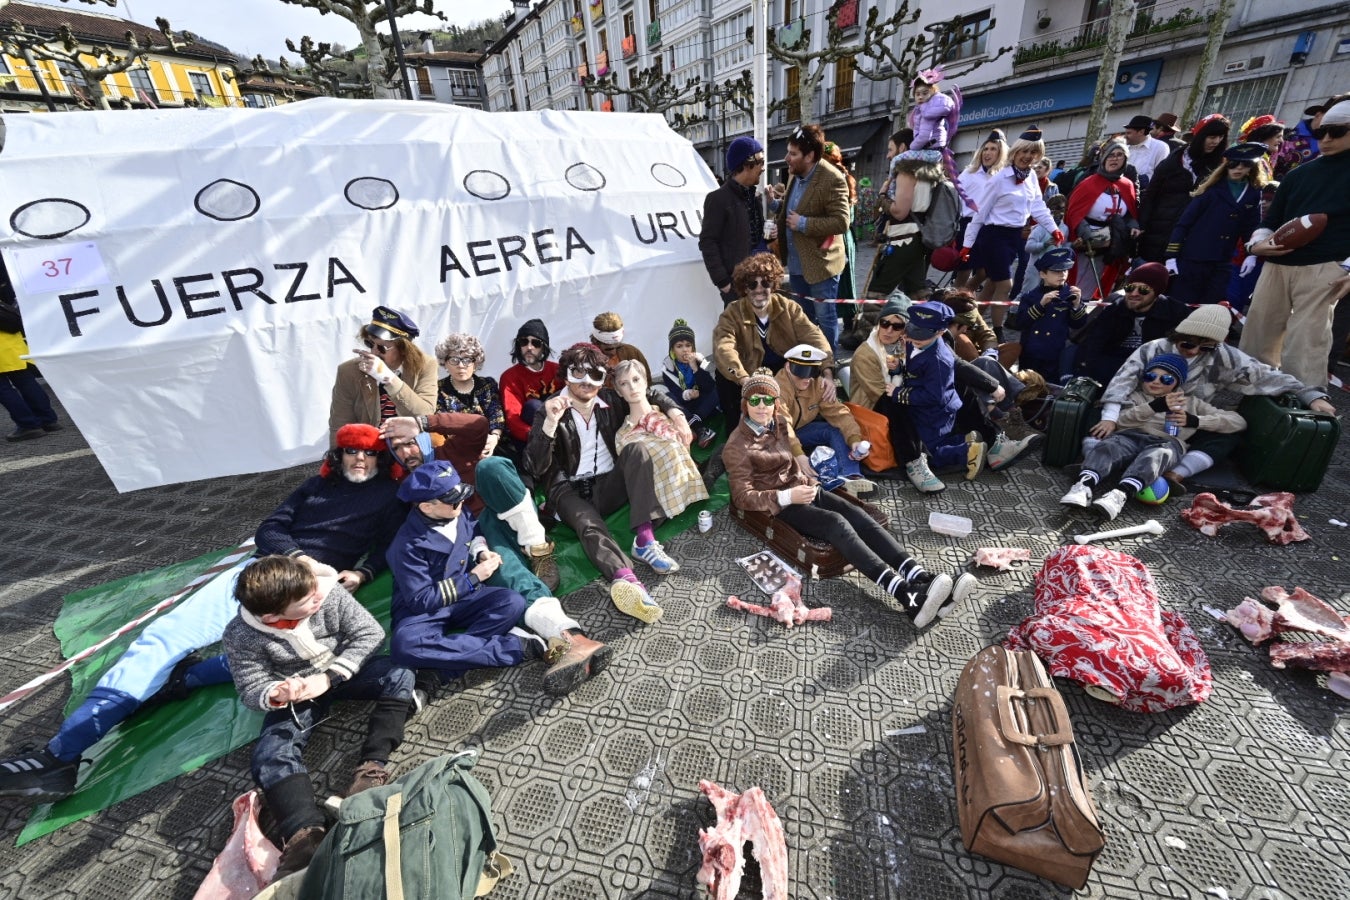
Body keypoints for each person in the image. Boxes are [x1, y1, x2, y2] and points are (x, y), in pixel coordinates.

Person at [0, 424, 407, 804]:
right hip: (264, 569)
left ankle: (183, 680)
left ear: (380, 459)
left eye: (369, 454)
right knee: (161, 639)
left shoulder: (388, 496)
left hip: (305, 587)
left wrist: (363, 571)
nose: (359, 460)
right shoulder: (314, 486)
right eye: (351, 451)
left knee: (287, 654)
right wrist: (297, 556)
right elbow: (269, 529)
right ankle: (61, 757)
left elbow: (391, 542)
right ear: (336, 456)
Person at [722, 369, 976, 627]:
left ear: (777, 403)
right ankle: (904, 594)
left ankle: (919, 576)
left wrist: (807, 479)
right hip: (779, 504)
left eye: (768, 400)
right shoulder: (736, 446)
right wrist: (787, 495)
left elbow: (790, 463)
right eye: (755, 401)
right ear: (745, 405)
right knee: (837, 524)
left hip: (803, 488)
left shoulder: (779, 424)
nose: (762, 406)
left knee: (858, 515)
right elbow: (742, 496)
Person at [222, 555, 415, 882]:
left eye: (315, 590)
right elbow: (250, 687)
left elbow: (369, 634)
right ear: (271, 616)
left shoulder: (326, 590)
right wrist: (277, 692)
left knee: (401, 674)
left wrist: (330, 677)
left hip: (344, 672)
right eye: (305, 599)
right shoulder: (240, 635)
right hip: (298, 694)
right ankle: (304, 836)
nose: (318, 597)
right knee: (270, 754)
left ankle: (371, 769)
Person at [386, 461, 610, 695]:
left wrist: (481, 551)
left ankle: (444, 668)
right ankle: (521, 647)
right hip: (424, 613)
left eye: (461, 493)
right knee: (404, 645)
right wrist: (473, 578)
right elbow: (421, 599)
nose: (461, 501)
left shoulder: (456, 512)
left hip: (463, 599)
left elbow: (473, 531)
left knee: (512, 602)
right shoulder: (405, 546)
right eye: (453, 499)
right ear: (426, 507)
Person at [526, 343, 689, 623]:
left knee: (637, 450)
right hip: (568, 490)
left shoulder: (611, 400)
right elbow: (535, 466)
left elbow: (647, 392)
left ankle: (644, 539)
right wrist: (550, 423)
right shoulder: (549, 409)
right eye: (578, 373)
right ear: (566, 375)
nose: (587, 382)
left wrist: (677, 414)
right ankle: (626, 580)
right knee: (589, 526)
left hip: (608, 485)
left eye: (595, 375)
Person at [1095, 305, 1336, 486]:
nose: (1196, 351)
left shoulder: (1226, 357)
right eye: (1188, 344)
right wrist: (1110, 418)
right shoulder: (1153, 348)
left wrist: (1311, 395)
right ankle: (1099, 460)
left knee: (1229, 438)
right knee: (1095, 422)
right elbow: (1121, 383)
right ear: (1178, 335)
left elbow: (1268, 377)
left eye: (1206, 346)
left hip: (1182, 428)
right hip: (1137, 418)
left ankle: (1178, 473)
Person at [1240, 98, 1350, 391]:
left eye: (1337, 132)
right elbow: (1271, 219)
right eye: (1321, 132)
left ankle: (1303, 414)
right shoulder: (1300, 174)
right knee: (1257, 339)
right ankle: (1254, 404)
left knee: (1306, 345)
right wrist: (1257, 244)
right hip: (1276, 264)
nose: (1325, 139)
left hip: (1324, 268)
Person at [381, 412, 559, 590]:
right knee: (505, 575)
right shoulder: (408, 487)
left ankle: (539, 549)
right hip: (481, 531)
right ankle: (537, 601)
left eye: (410, 443)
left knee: (492, 466)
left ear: (422, 440)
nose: (405, 453)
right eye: (396, 448)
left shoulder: (451, 451)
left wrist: (422, 423)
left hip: (505, 508)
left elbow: (478, 424)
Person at [1061, 353, 1245, 520]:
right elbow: (1121, 422)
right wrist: (1153, 407)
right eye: (1150, 377)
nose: (1156, 382)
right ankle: (1083, 486)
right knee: (1110, 445)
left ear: (1177, 383)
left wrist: (1196, 421)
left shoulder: (1190, 402)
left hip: (1166, 442)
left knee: (1156, 456)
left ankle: (1119, 494)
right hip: (1130, 436)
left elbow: (1238, 422)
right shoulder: (1135, 395)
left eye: (1165, 379)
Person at [712, 252, 832, 428]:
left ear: (773, 285)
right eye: (752, 284)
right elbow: (724, 347)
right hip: (748, 373)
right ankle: (735, 429)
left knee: (806, 369)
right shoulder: (732, 312)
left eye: (765, 283)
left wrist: (827, 372)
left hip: (782, 371)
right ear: (745, 288)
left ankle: (797, 421)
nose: (759, 290)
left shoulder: (788, 307)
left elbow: (814, 336)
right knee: (724, 376)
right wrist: (744, 379)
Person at [960, 125, 1061, 333]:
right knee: (1005, 285)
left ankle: (970, 326)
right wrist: (967, 245)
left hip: (1015, 237)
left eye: (1033, 152)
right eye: (1024, 151)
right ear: (1015, 151)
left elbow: (1037, 206)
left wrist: (1053, 228)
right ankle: (997, 332)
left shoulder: (1031, 176)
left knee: (990, 284)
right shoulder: (999, 178)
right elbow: (979, 215)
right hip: (994, 236)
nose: (1028, 156)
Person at [774, 123, 851, 354]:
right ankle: (808, 358)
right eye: (788, 151)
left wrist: (804, 223)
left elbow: (841, 222)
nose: (787, 158)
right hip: (797, 262)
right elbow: (791, 207)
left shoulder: (833, 178)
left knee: (825, 317)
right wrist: (774, 205)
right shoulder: (795, 173)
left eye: (793, 154)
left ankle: (829, 362)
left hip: (821, 264)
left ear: (810, 156)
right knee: (804, 316)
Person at [1164, 142, 1267, 304]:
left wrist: (1251, 254)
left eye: (1245, 164)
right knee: (1181, 303)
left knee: (1210, 306)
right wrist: (1171, 256)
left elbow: (1251, 228)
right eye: (1233, 164)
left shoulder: (1253, 193)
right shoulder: (1211, 190)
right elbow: (1184, 224)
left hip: (1222, 259)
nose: (1238, 168)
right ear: (1226, 165)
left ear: (1252, 167)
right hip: (1194, 257)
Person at [773, 343, 877, 496]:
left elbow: (839, 413)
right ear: (788, 367)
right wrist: (798, 454)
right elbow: (783, 424)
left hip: (801, 431)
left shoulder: (817, 383)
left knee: (835, 428)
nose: (807, 378)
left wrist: (854, 439)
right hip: (776, 436)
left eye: (812, 372)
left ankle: (850, 477)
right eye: (801, 372)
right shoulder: (777, 388)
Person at [613, 358, 709, 519]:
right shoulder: (623, 436)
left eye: (636, 380)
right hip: (660, 509)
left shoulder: (667, 418)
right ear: (618, 391)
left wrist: (676, 416)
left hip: (692, 489)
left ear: (645, 382)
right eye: (623, 384)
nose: (632, 387)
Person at [328, 305, 438, 445]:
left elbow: (425, 413)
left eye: (381, 347)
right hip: (370, 448)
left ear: (404, 348)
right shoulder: (349, 371)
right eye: (370, 344)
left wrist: (389, 380)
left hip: (410, 446)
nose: (374, 353)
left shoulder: (425, 365)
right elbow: (340, 425)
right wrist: (337, 462)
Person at [1073, 262, 1187, 384]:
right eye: (1130, 288)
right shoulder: (1116, 308)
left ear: (1157, 292)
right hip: (1112, 365)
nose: (1134, 293)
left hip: (1151, 370)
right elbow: (1093, 343)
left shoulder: (1176, 313)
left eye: (1143, 290)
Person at [1138, 114, 1231, 264]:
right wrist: (1142, 225)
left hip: (1193, 239)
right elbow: (1150, 195)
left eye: (1221, 137)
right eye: (1212, 136)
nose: (1216, 142)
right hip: (1157, 234)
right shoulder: (1175, 160)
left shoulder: (1221, 167)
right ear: (1200, 135)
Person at [1065, 135, 1139, 300]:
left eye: (1120, 155)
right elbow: (1074, 211)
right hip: (1085, 238)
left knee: (1095, 277)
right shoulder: (1089, 183)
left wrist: (1133, 225)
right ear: (1104, 158)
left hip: (1110, 241)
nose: (1115, 159)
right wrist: (1084, 230)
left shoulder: (1127, 185)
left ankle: (1083, 310)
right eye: (1112, 155)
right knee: (1075, 277)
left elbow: (1130, 212)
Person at [700, 136, 772, 305]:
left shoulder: (754, 197)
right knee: (738, 330)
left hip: (760, 280)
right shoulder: (718, 199)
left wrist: (769, 238)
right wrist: (723, 282)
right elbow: (707, 241)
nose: (763, 168)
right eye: (761, 162)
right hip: (736, 286)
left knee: (761, 329)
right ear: (747, 164)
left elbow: (754, 237)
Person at [867, 149, 946, 301]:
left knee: (876, 293)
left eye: (890, 149)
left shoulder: (907, 172)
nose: (888, 155)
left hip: (903, 240)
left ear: (902, 147)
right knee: (917, 292)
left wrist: (883, 197)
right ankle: (930, 323)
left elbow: (899, 212)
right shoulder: (928, 172)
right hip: (917, 239)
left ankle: (871, 324)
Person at [1014, 246, 1087, 382]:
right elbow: (1020, 323)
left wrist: (1077, 305)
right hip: (1032, 353)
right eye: (1056, 271)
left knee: (1052, 388)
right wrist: (1040, 305)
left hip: (1056, 352)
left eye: (1065, 270)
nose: (1062, 275)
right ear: (1043, 274)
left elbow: (1078, 325)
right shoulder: (1031, 296)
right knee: (1028, 387)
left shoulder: (1071, 294)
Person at [434, 331, 505, 461]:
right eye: (454, 360)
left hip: (491, 449)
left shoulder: (488, 385)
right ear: (445, 363)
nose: (461, 365)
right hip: (457, 453)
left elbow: (496, 415)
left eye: (467, 360)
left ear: (475, 363)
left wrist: (494, 437)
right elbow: (444, 424)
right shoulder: (438, 389)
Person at [500, 318, 561, 457]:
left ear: (544, 347)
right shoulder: (509, 377)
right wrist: (540, 438)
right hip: (529, 438)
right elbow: (512, 418)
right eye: (524, 342)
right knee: (533, 406)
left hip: (560, 432)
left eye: (536, 343)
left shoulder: (558, 370)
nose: (529, 347)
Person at [955, 130, 1008, 290]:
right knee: (965, 268)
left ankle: (965, 295)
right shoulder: (969, 173)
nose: (988, 153)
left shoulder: (1003, 175)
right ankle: (955, 298)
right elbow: (956, 197)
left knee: (984, 271)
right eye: (986, 148)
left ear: (1001, 153)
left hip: (989, 227)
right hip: (968, 224)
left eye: (993, 149)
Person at [0, 304, 61, 441]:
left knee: (4, 389)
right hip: (13, 345)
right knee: (26, 382)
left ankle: (28, 425)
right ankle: (48, 420)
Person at [659, 318, 720, 448]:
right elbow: (675, 392)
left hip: (702, 406)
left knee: (717, 389)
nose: (685, 350)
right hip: (684, 406)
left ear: (693, 347)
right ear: (672, 350)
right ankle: (699, 428)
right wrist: (687, 394)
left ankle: (692, 425)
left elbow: (709, 386)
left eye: (688, 345)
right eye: (679, 346)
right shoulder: (668, 367)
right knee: (668, 396)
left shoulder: (699, 360)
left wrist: (695, 368)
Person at [1021, 193, 1068, 298]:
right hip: (1036, 267)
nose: (1060, 212)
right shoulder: (1040, 228)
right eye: (1057, 208)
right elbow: (1028, 247)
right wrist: (1044, 244)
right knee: (1028, 293)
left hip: (1052, 268)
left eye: (1063, 209)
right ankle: (1014, 312)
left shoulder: (1064, 228)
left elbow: (1064, 247)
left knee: (1049, 295)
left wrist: (1073, 245)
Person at [591, 311, 652, 387]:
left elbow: (647, 381)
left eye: (618, 347)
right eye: (608, 349)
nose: (614, 352)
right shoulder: (589, 361)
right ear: (596, 343)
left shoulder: (631, 352)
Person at [1120, 114, 1171, 187]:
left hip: (1144, 193)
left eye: (1129, 133)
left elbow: (1160, 176)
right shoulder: (1123, 146)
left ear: (1141, 132)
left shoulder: (1160, 147)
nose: (1125, 136)